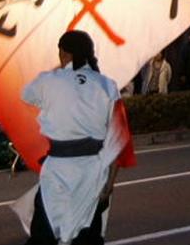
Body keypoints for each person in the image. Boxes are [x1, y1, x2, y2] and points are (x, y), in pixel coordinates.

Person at [21, 30, 131, 245]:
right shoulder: (107, 85)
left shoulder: (50, 80)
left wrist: (60, 75)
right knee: (87, 236)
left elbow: (26, 94)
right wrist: (109, 183)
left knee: (44, 235)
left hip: (57, 170)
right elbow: (117, 139)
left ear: (64, 53)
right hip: (93, 171)